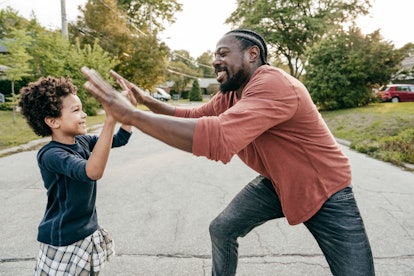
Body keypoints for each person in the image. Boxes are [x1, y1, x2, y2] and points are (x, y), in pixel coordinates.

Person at [81, 28, 375, 275]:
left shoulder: (273, 83)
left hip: (325, 188)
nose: (215, 61)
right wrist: (145, 102)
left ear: (252, 54)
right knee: (222, 229)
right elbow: (193, 116)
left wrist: (131, 116)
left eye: (223, 54)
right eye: (214, 55)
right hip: (277, 182)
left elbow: (218, 137)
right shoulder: (234, 93)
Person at [18, 76, 135, 275]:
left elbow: (119, 139)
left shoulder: (81, 141)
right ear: (52, 121)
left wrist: (128, 111)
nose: (84, 114)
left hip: (86, 231)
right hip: (63, 240)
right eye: (76, 110)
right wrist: (109, 120)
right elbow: (92, 171)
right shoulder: (51, 155)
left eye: (82, 108)